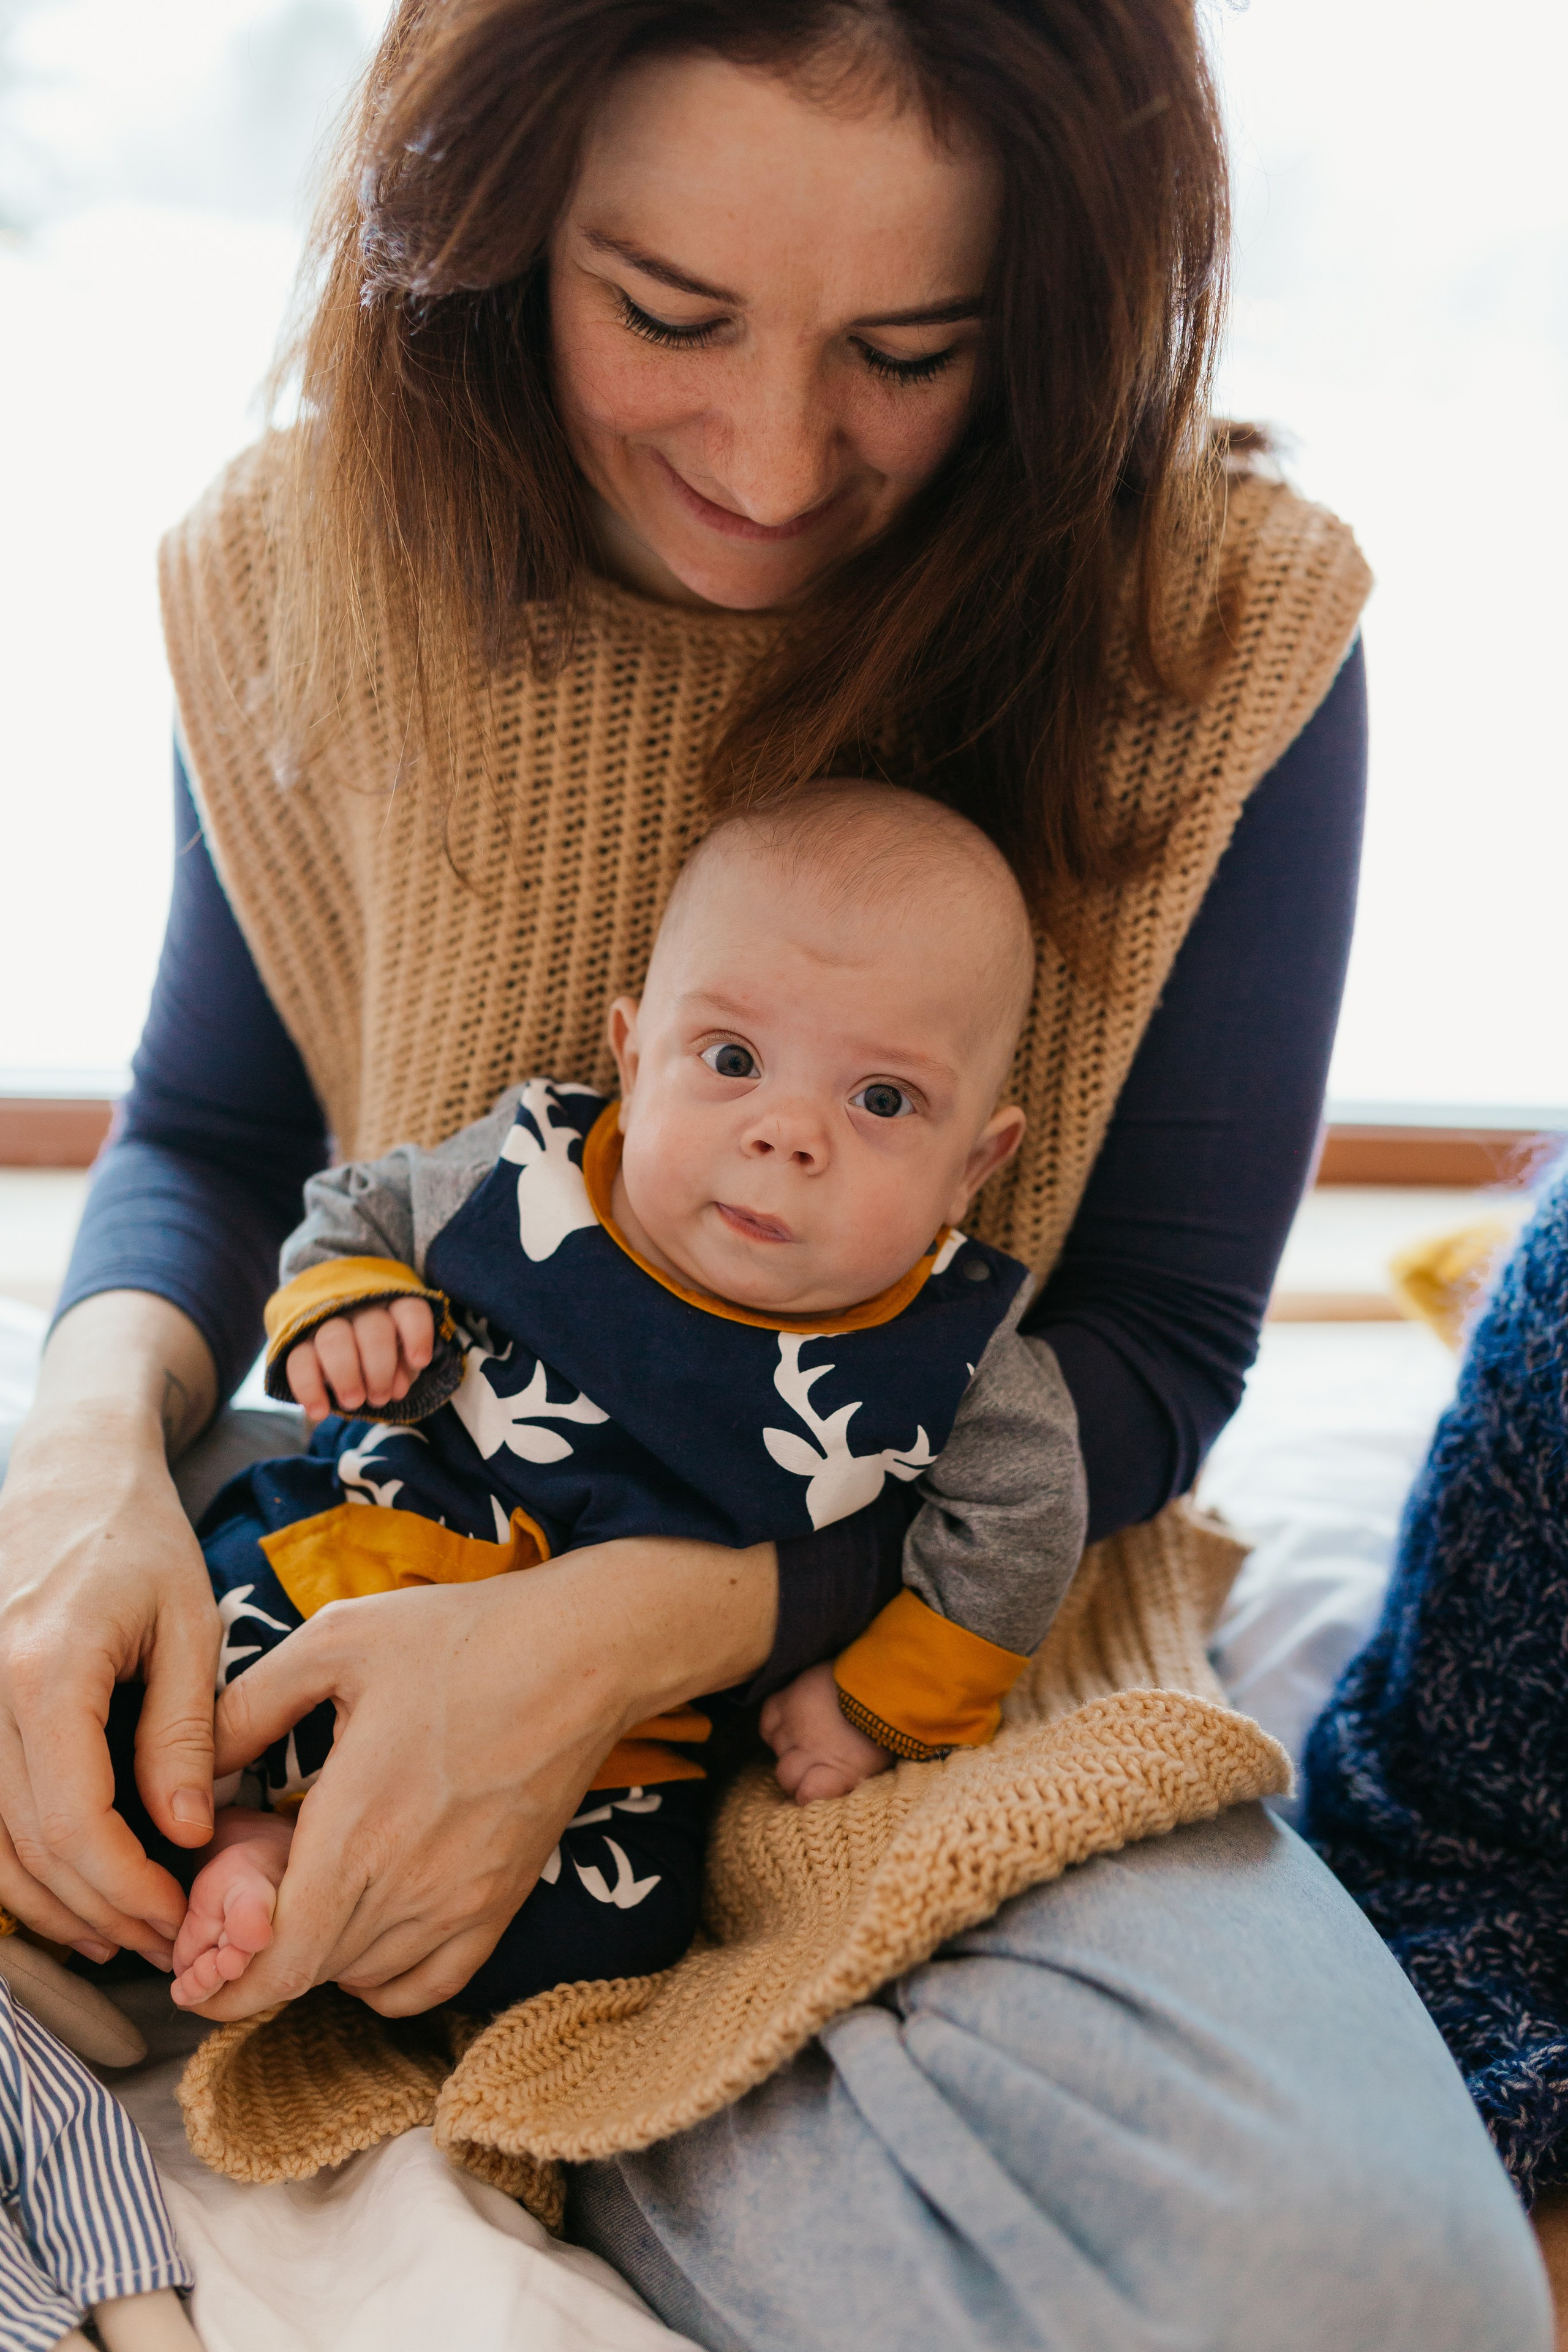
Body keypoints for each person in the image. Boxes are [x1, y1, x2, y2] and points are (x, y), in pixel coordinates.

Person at [0, 2, 1548, 2343]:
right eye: (667, 314)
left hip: (933, 1679)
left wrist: (641, 1636)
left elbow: (1152, 1346)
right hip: (378, 1513)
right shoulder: (300, 561)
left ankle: (564, 2023)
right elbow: (219, 1137)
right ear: (503, 226)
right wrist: (82, 1461)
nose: (772, 453)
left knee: (1375, 2288)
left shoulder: (1219, 633)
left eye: (910, 352)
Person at [168, 786, 1086, 2009]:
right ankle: (217, 1843)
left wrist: (880, 1702)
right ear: (634, 1055)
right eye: (731, 1060)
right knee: (157, 1693)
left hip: (613, 1737)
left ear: (974, 1162)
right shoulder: (534, 1171)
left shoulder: (948, 1348)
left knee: (610, 1935)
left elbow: (1029, 1513)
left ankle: (297, 1890)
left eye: (882, 1100)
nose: (786, 1133)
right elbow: (361, 1205)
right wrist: (351, 1304)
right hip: (353, 1562)